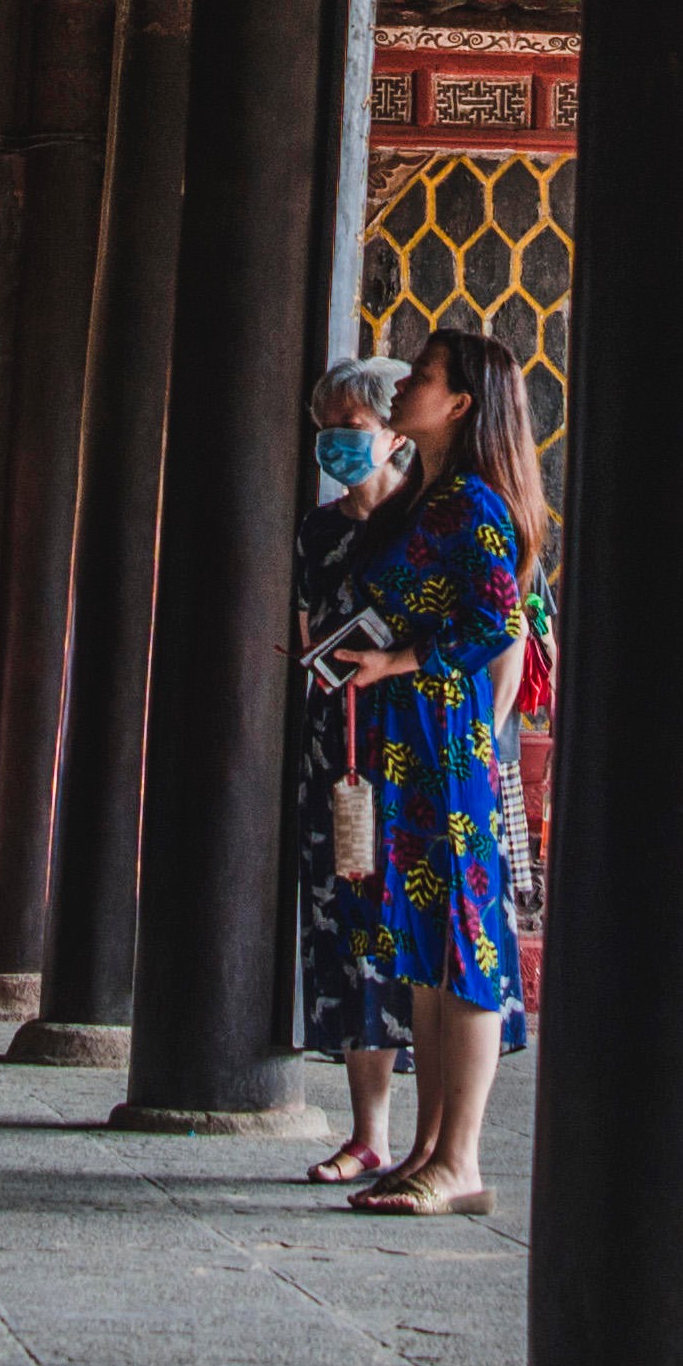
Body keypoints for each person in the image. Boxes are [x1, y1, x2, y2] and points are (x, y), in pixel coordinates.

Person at [314, 327, 544, 1216]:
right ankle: (425, 1149)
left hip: (445, 740)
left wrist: (398, 661)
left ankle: (462, 1161)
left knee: (465, 944)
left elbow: (496, 622)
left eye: (421, 376)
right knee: (423, 953)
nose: (404, 384)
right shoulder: (426, 496)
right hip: (401, 741)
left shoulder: (474, 501)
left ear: (458, 404)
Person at [288, 362, 407, 1180]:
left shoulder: (428, 525)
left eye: (352, 428)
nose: (336, 441)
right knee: (347, 926)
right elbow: (308, 630)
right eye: (326, 427)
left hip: (411, 745)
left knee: (410, 930)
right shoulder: (317, 531)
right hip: (336, 747)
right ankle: (370, 1131)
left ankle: (437, 1138)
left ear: (394, 436)